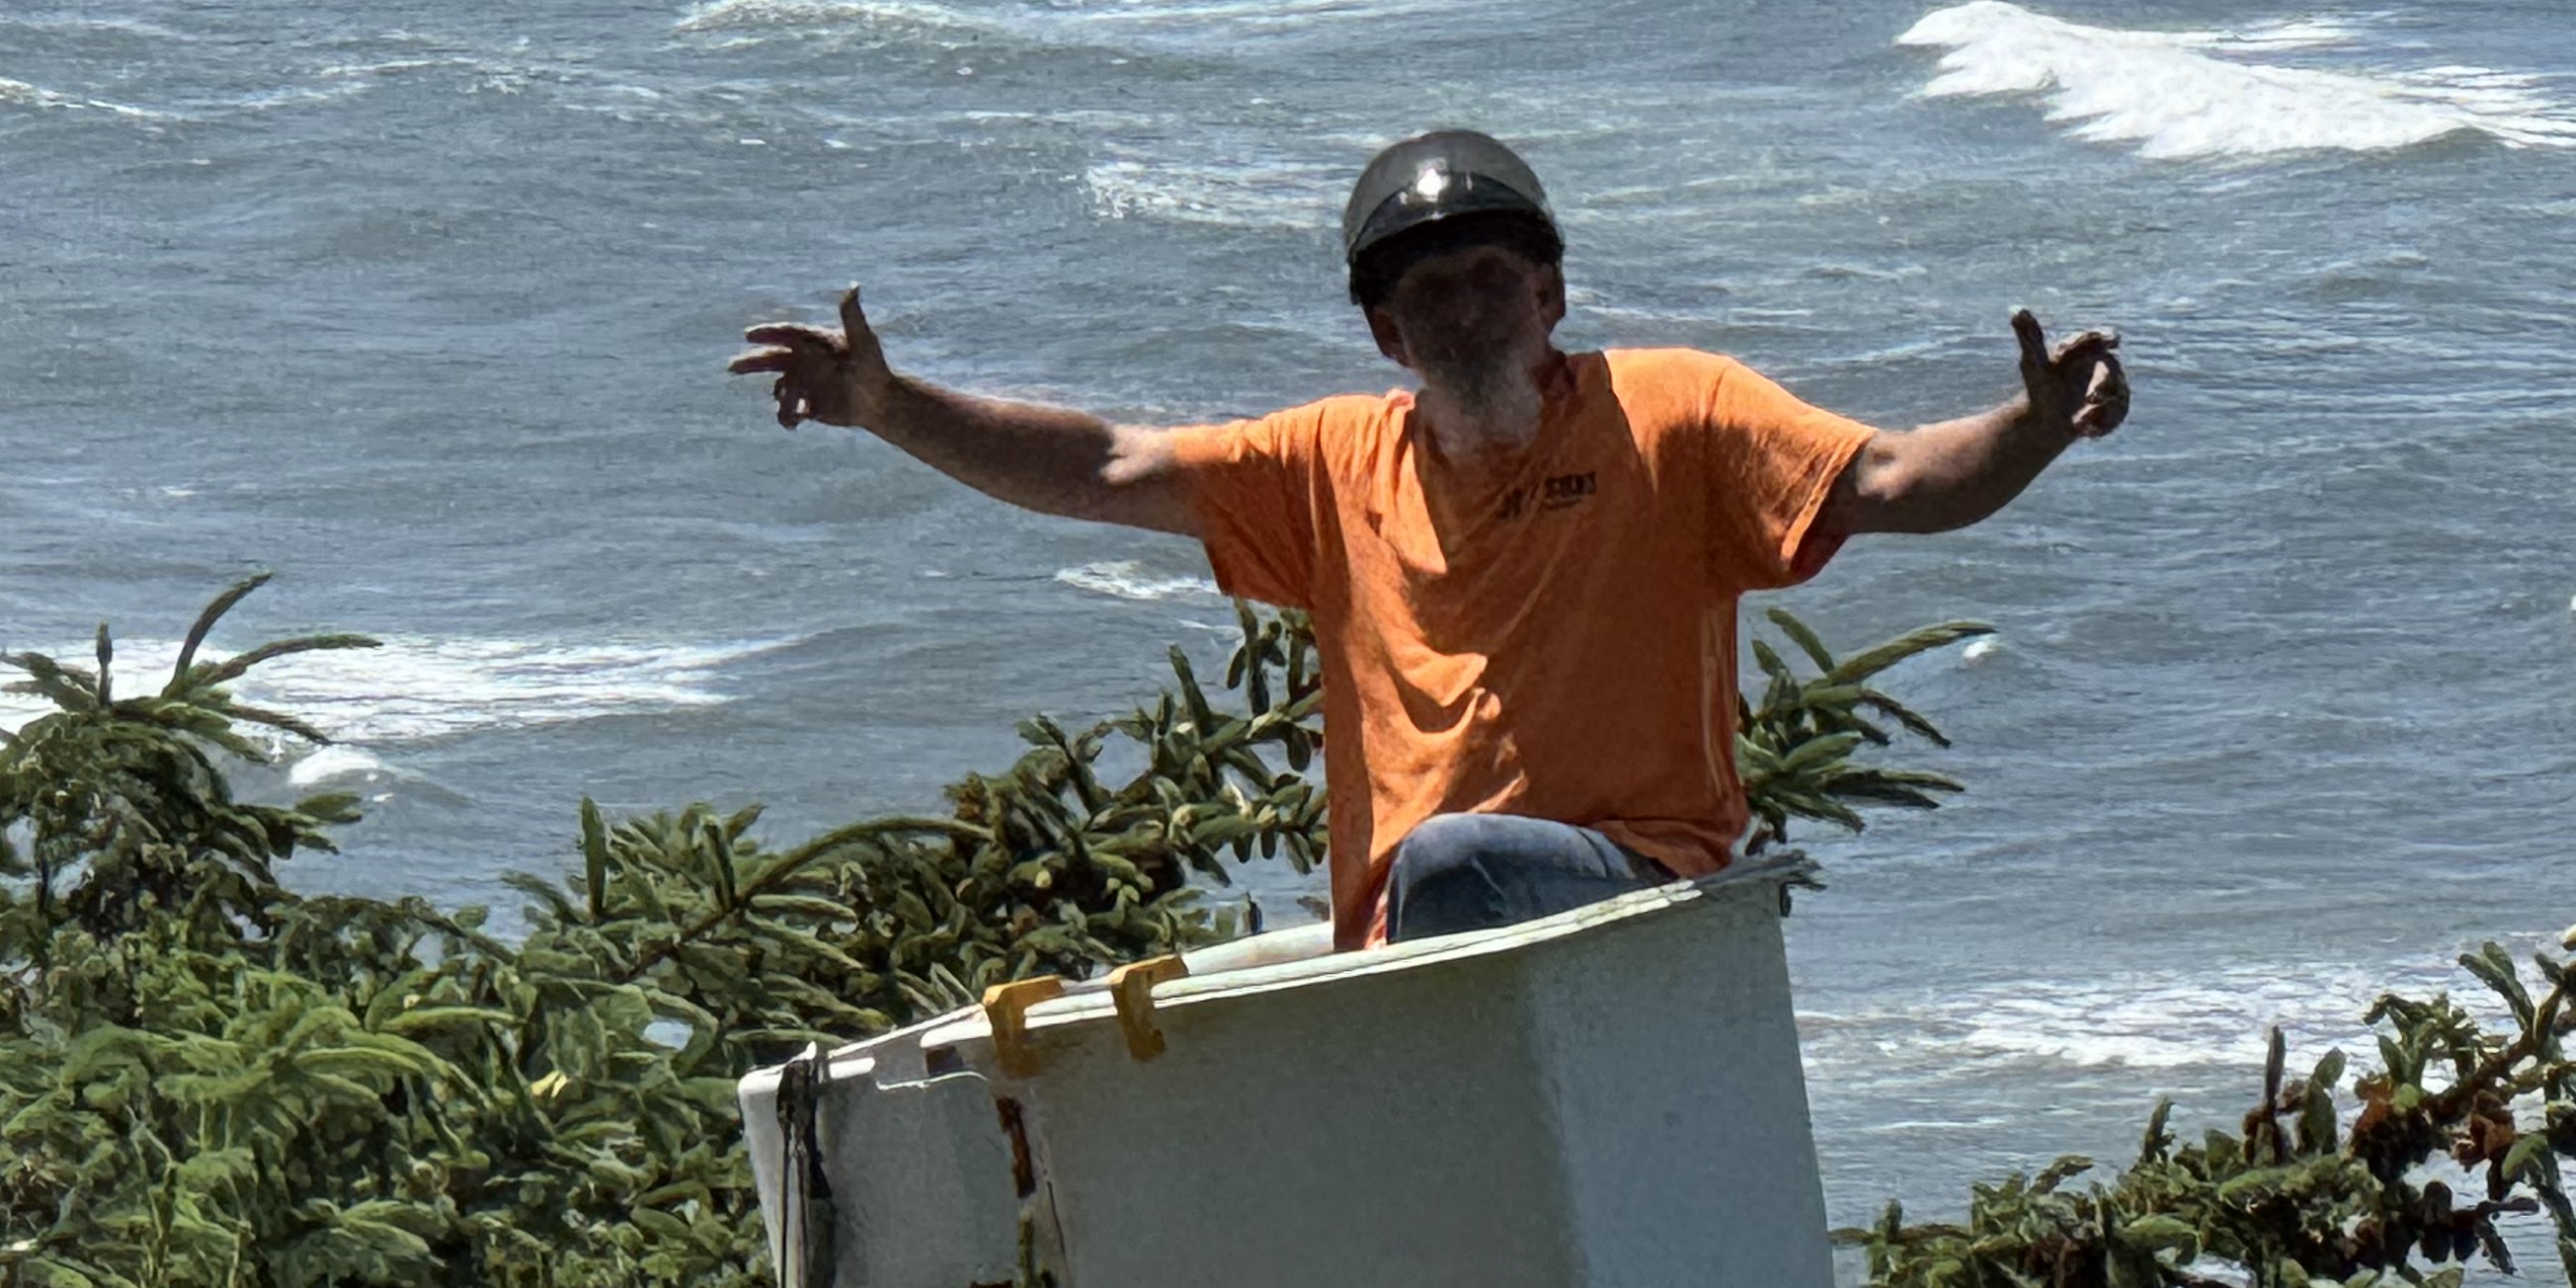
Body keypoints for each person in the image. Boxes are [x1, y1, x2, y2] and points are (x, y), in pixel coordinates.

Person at [732, 128, 2128, 948]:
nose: (1466, 309)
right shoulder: (1337, 466)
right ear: (1389, 333)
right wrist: (888, 405)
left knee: (1453, 861)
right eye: (1427, 291)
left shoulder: (1676, 417)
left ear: (1550, 294)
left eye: (1490, 277)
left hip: (1634, 897)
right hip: (1429, 932)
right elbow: (1105, 463)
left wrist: (2035, 426)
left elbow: (1891, 479)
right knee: (1417, 892)